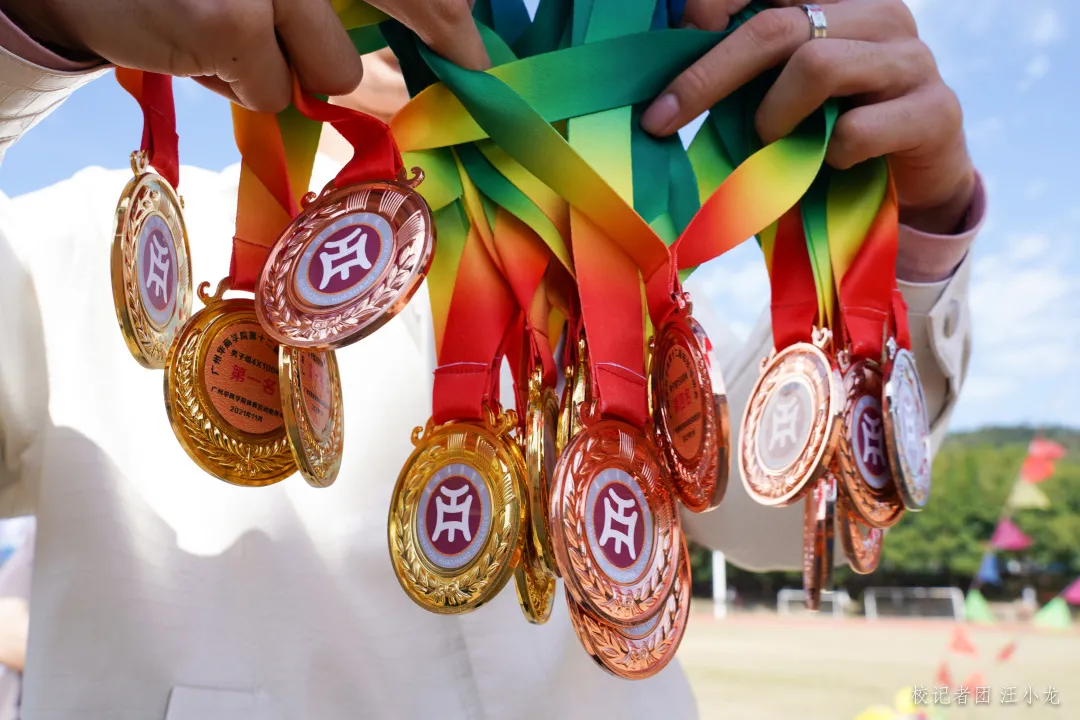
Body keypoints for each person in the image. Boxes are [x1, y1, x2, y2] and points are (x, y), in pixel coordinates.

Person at [0, 1, 979, 718]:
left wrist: (910, 227)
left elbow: (772, 517)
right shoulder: (97, 248)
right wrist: (36, 30)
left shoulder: (626, 268)